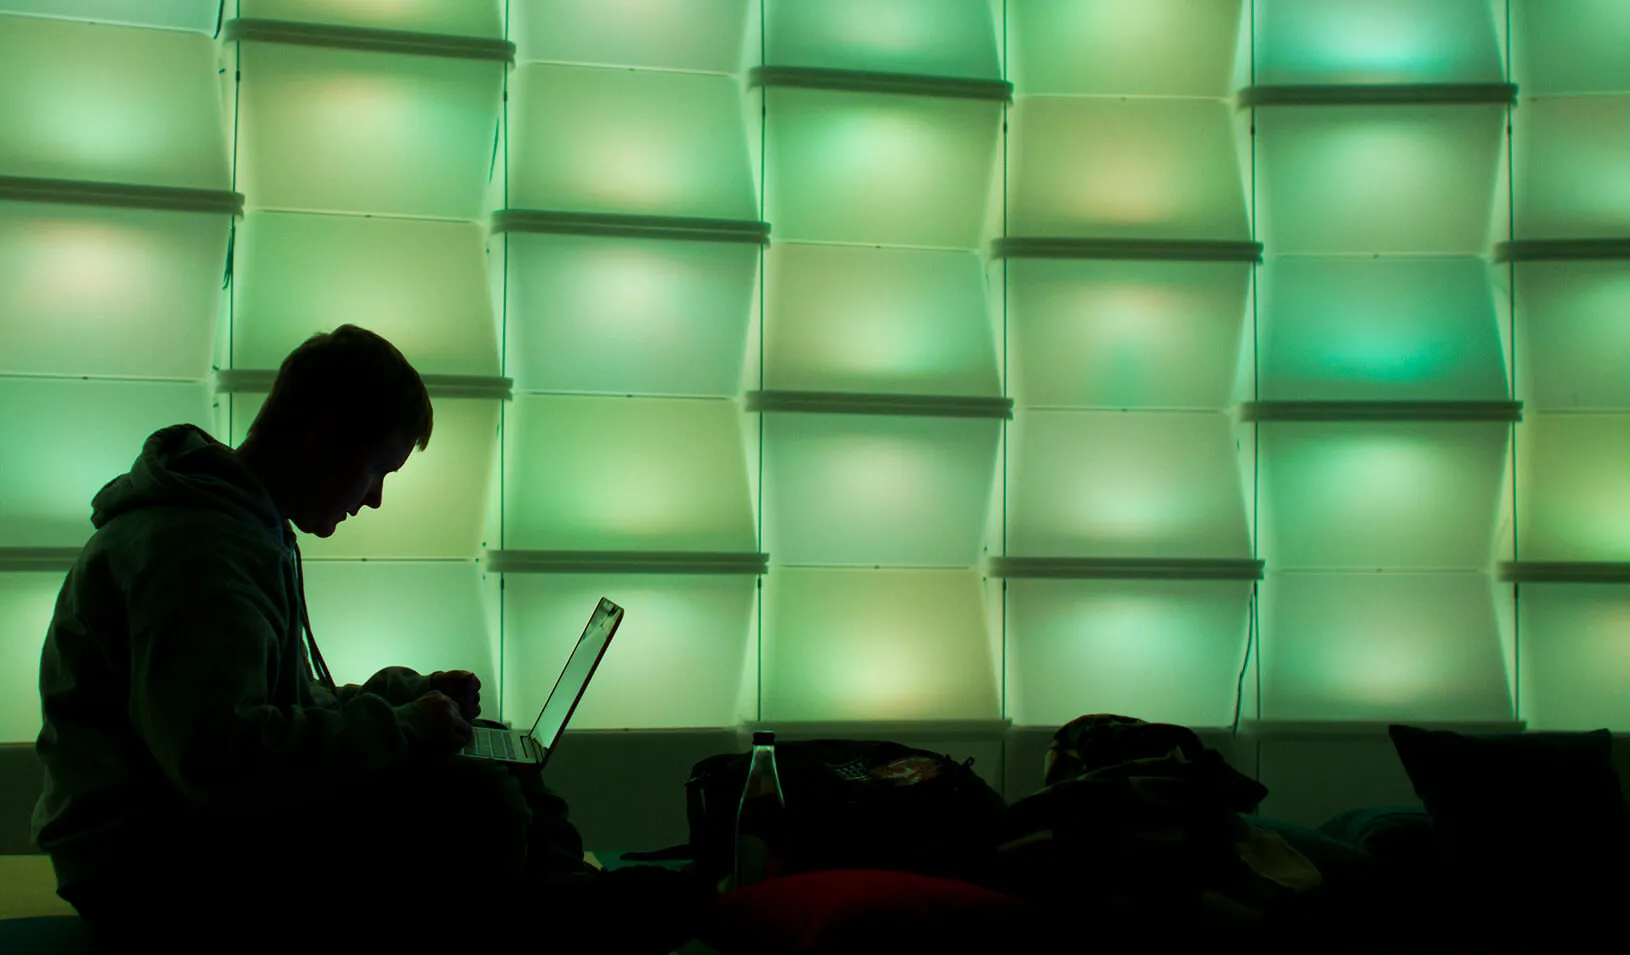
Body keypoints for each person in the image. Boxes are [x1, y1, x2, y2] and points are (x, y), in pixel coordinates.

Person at [32, 325, 713, 951]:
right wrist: (406, 728)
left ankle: (568, 899)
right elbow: (223, 764)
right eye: (377, 470)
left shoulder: (236, 529)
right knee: (475, 803)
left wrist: (405, 696)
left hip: (195, 834)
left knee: (496, 755)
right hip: (155, 872)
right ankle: (566, 916)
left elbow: (274, 710)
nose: (374, 498)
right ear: (324, 439)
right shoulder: (196, 554)